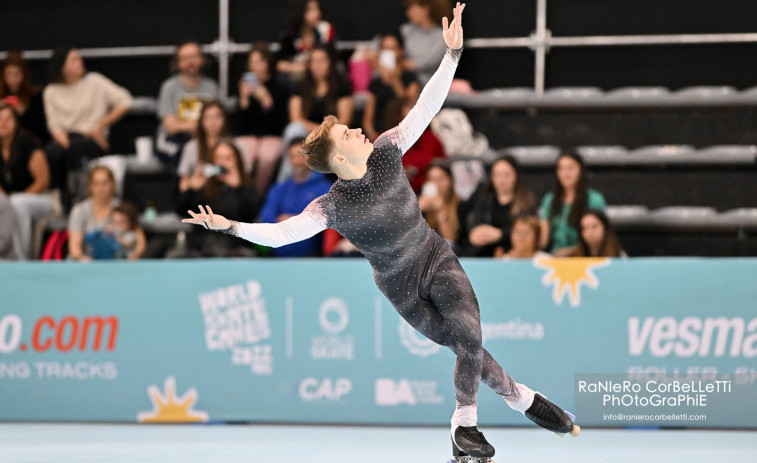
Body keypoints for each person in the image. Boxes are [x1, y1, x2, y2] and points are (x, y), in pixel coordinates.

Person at [183, 5, 578, 459]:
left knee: (469, 335)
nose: (358, 131)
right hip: (400, 286)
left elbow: (425, 107)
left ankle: (464, 425)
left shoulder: (389, 150)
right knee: (461, 344)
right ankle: (520, 398)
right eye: (351, 134)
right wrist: (229, 226)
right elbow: (282, 235)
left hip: (435, 256)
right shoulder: (329, 206)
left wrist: (452, 55)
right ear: (340, 159)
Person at [43, 46, 132, 195]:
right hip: (66, 139)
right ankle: (57, 194)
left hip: (93, 137)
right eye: (74, 60)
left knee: (76, 149)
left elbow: (125, 101)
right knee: (52, 152)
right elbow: (54, 125)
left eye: (79, 58)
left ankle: (76, 195)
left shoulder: (95, 81)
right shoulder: (51, 91)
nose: (80, 62)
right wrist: (64, 142)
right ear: (62, 67)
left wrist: (100, 126)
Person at [278, 45, 353, 182]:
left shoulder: (342, 86)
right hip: (307, 134)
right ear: (309, 65)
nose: (318, 65)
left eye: (322, 61)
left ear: (330, 62)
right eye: (314, 61)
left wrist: (324, 132)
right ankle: (285, 182)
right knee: (293, 130)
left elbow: (344, 121)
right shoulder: (300, 85)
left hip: (333, 134)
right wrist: (318, 131)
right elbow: (295, 118)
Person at [177, 140, 257, 257]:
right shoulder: (204, 184)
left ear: (237, 160)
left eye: (228, 158)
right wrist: (192, 189)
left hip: (235, 246)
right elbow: (181, 211)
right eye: (218, 158)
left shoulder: (245, 185)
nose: (223, 163)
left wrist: (238, 188)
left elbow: (251, 216)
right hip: (203, 246)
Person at [259, 138, 332, 257]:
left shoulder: (325, 188)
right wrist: (301, 220)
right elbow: (266, 218)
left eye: (301, 156)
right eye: (293, 156)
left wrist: (287, 219)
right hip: (277, 255)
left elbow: (323, 223)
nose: (298, 161)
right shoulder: (280, 188)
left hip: (312, 255)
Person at [0, 104, 55, 260]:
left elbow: (43, 181)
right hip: (12, 199)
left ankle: (21, 259)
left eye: (8, 119)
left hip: (43, 198)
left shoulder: (27, 143)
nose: (3, 123)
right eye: (0, 119)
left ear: (16, 122)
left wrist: (12, 200)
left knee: (17, 203)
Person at [237, 42, 291, 197]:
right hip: (250, 137)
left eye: (259, 62)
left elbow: (280, 125)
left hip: (273, 136)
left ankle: (256, 198)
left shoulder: (280, 86)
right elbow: (240, 128)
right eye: (252, 62)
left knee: (266, 156)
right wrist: (244, 100)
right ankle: (241, 196)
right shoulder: (243, 86)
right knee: (244, 152)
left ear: (268, 63)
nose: (255, 67)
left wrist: (267, 101)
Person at [155, 41, 219, 166]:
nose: (190, 62)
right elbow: (171, 127)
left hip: (204, 137)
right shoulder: (169, 87)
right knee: (189, 153)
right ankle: (186, 185)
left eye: (194, 56)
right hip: (173, 140)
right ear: (177, 63)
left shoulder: (211, 87)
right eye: (185, 58)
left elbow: (217, 120)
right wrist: (199, 126)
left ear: (202, 59)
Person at [466, 156, 536, 257]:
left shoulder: (526, 201)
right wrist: (475, 233)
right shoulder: (484, 199)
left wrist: (501, 234)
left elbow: (529, 228)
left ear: (516, 176)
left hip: (515, 253)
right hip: (486, 252)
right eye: (497, 175)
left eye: (507, 175)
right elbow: (476, 225)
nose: (502, 180)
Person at [539, 150, 606, 256]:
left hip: (584, 256)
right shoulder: (549, 200)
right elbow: (543, 240)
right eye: (561, 169)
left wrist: (571, 251)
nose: (566, 174)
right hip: (554, 257)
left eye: (571, 168)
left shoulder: (595, 200)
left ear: (581, 171)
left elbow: (600, 237)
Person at [362, 34, 420, 141]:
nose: (389, 52)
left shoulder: (410, 78)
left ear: (401, 51)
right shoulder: (376, 83)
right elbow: (367, 121)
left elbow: (408, 105)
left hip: (405, 135)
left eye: (393, 48)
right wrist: (377, 140)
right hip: (380, 136)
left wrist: (394, 80)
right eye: (385, 49)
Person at [384, 96, 445, 194]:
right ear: (397, 113)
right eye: (410, 106)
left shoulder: (430, 137)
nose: (416, 110)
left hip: (429, 191)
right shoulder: (383, 140)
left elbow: (443, 165)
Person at [177, 101, 242, 192]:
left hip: (229, 195)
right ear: (201, 121)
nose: (213, 122)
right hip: (199, 196)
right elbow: (183, 185)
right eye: (208, 118)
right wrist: (193, 184)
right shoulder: (191, 147)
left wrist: (235, 180)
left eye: (217, 117)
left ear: (224, 119)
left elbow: (245, 178)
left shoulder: (235, 144)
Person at [276, 0, 338, 82]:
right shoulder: (290, 35)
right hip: (299, 78)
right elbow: (278, 62)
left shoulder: (325, 30)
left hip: (323, 77)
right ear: (300, 11)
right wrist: (294, 67)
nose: (317, 13)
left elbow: (333, 58)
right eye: (311, 9)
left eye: (317, 8)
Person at [67, 165, 119, 261]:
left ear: (112, 184)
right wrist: (84, 260)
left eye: (104, 183)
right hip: (84, 264)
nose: (100, 188)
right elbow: (74, 248)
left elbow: (135, 236)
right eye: (96, 184)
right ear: (90, 186)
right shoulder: (79, 210)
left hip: (112, 264)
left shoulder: (121, 209)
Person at [400, 0, 451, 86]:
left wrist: (399, 64)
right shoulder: (406, 30)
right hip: (401, 79)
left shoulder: (442, 36)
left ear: (425, 9)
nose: (408, 13)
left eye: (411, 8)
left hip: (426, 84)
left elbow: (425, 63)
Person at [0, 52, 47, 143]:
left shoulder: (35, 97)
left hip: (27, 144)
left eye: (17, 74)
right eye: (8, 74)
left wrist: (24, 113)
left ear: (24, 75)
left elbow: (40, 131)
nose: (12, 79)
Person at [418, 160, 460, 253]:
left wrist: (440, 211)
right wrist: (416, 210)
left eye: (441, 179)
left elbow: (451, 242)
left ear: (450, 180)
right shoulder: (419, 204)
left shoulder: (460, 205)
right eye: (432, 180)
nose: (437, 184)